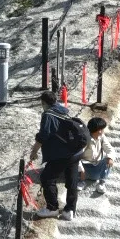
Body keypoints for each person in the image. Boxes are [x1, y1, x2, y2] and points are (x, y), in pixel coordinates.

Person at [28, 91, 88, 222]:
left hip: (62, 153)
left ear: (43, 103)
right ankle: (70, 210)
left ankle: (52, 208)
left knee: (47, 177)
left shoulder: (48, 115)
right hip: (75, 152)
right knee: (72, 181)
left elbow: (43, 135)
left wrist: (34, 152)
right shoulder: (63, 110)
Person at [80, 115, 115, 188]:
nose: (103, 131)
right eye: (102, 129)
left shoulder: (101, 137)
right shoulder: (85, 139)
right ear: (98, 130)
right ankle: (81, 181)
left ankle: (101, 183)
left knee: (107, 160)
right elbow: (77, 156)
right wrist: (81, 169)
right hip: (83, 169)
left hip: (95, 168)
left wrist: (110, 158)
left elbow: (110, 149)